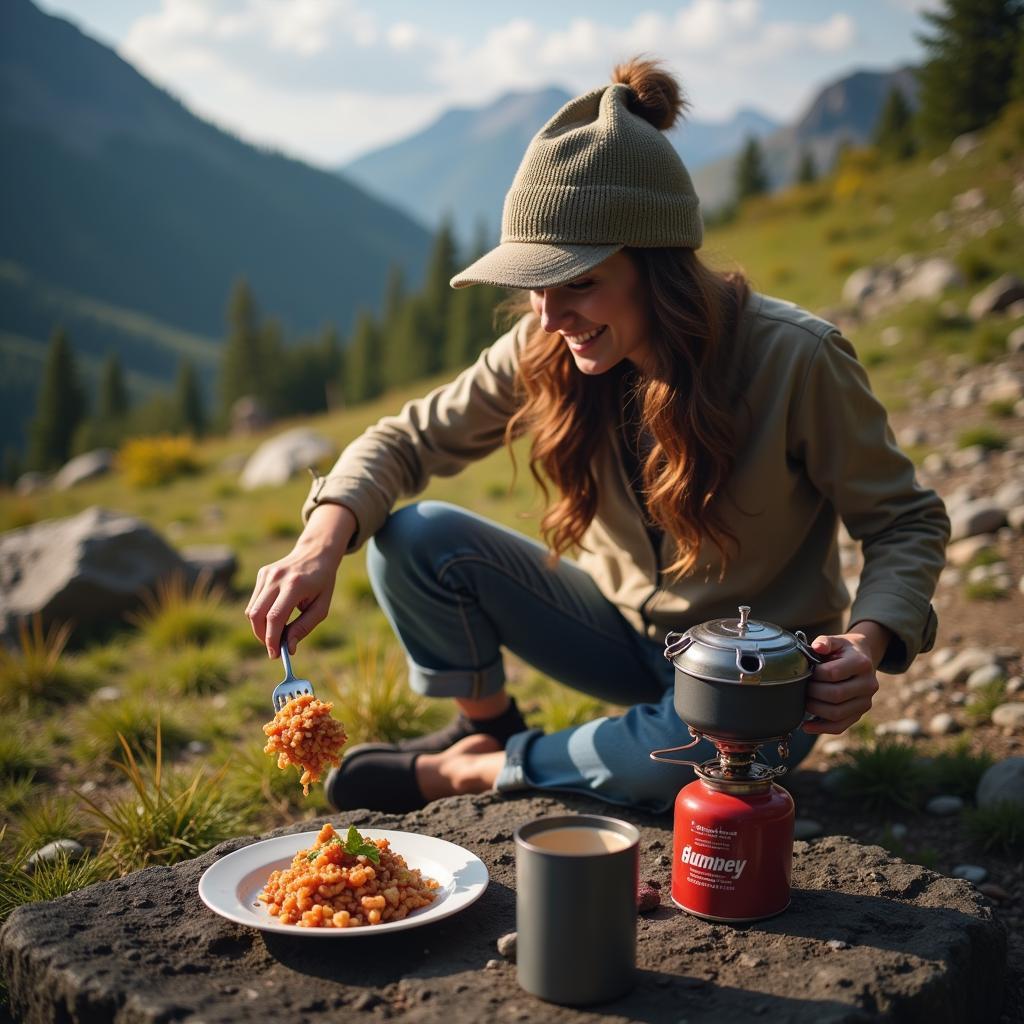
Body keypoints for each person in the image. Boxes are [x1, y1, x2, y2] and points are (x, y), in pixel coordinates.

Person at [245, 57, 949, 815]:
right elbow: (404, 441)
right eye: (535, 286)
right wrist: (319, 543)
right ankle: (484, 729)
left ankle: (471, 772)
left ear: (660, 267)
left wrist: (867, 643)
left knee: (666, 769)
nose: (548, 317)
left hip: (752, 676)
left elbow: (905, 520)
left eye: (578, 282)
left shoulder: (796, 358)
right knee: (415, 537)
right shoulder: (547, 347)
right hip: (615, 633)